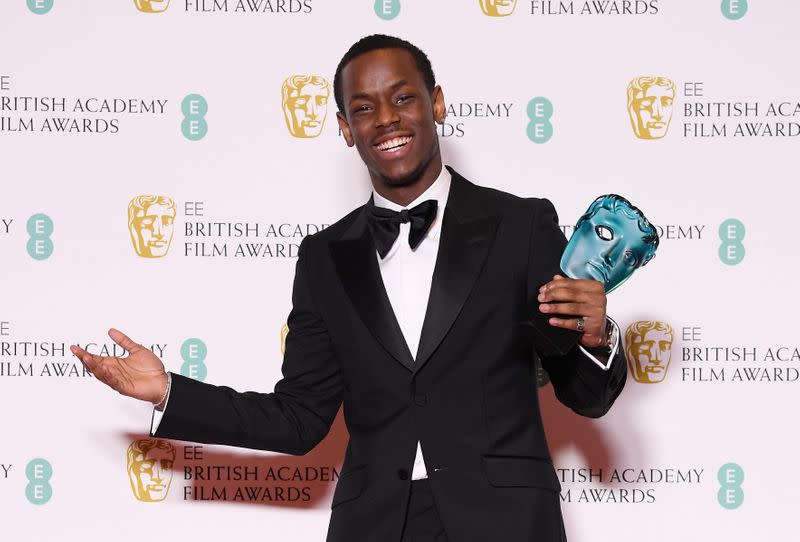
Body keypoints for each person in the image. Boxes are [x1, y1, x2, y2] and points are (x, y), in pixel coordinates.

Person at [72, 34, 627, 542]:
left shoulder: (521, 225)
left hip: (505, 523)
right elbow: (299, 419)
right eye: (363, 108)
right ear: (344, 128)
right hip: (375, 525)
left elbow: (586, 396)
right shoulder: (323, 258)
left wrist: (596, 336)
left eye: (402, 98)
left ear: (436, 103)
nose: (385, 119)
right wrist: (170, 390)